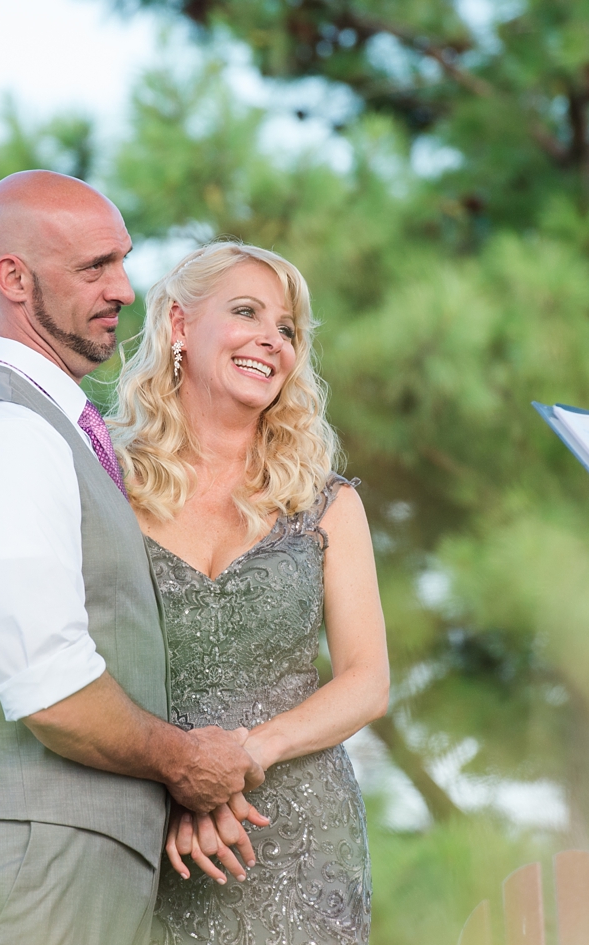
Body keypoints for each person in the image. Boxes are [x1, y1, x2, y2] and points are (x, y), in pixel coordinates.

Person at [0, 171, 266, 945]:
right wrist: (183, 762)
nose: (124, 289)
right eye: (94, 267)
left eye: (123, 262)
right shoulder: (3, 432)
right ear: (14, 279)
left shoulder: (58, 430)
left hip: (63, 859)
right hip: (30, 863)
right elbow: (49, 685)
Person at [109, 242, 391, 944]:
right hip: (145, 824)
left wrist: (243, 757)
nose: (272, 338)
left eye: (288, 328)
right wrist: (174, 774)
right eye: (246, 312)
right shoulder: (105, 482)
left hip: (295, 834)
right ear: (179, 324)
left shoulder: (326, 503)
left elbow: (367, 682)